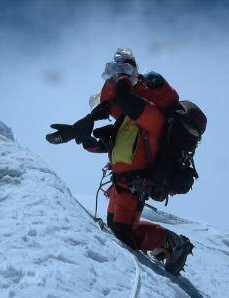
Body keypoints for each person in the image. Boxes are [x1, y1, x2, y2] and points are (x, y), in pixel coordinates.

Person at [45, 49, 196, 275]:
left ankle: (173, 243)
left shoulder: (153, 116)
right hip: (118, 184)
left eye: (120, 74)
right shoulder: (127, 122)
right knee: (115, 227)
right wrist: (82, 136)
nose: (115, 79)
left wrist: (125, 74)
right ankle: (160, 243)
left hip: (136, 185)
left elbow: (126, 100)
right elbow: (104, 146)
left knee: (124, 235)